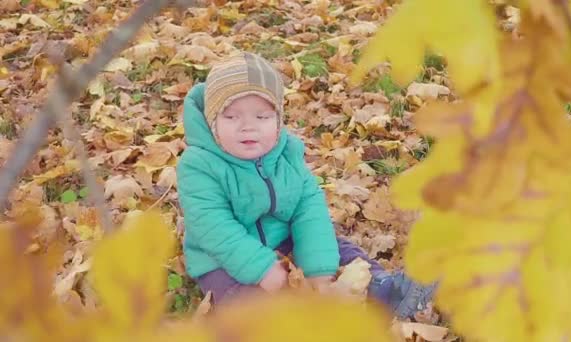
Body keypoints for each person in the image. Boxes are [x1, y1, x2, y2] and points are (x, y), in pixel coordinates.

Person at [176, 51, 435, 318]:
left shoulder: (286, 152)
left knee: (338, 249)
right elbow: (213, 227)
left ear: (278, 121)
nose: (247, 127)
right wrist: (261, 267)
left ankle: (386, 291)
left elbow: (307, 207)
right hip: (221, 259)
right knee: (244, 301)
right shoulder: (199, 164)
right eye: (231, 117)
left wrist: (320, 269)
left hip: (283, 238)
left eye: (261, 117)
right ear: (212, 122)